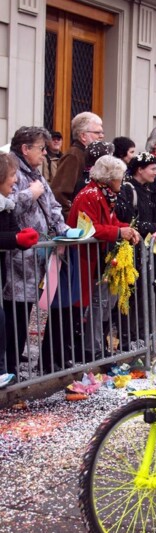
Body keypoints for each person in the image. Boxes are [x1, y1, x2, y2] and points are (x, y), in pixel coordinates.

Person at [3, 126, 71, 376]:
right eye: (41, 149)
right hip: (18, 257)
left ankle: (17, 363)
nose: (45, 153)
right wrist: (29, 195)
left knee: (31, 309)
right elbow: (7, 207)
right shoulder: (10, 170)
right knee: (17, 314)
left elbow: (52, 205)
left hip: (39, 256)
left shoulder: (35, 173)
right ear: (25, 149)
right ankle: (10, 366)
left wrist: (64, 230)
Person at [67, 155, 140, 363]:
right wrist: (119, 232)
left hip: (98, 257)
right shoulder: (90, 195)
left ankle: (97, 345)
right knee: (96, 304)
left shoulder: (104, 194)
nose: (122, 181)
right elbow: (89, 228)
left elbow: (110, 221)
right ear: (110, 178)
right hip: (85, 257)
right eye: (120, 177)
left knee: (104, 303)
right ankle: (92, 348)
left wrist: (126, 229)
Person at [114, 152, 156, 351]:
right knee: (129, 295)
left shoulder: (148, 190)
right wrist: (149, 226)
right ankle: (127, 338)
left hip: (143, 251)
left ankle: (140, 334)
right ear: (140, 170)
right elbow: (126, 219)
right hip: (129, 251)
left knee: (143, 293)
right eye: (152, 169)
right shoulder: (128, 189)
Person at [0, 152, 40, 388]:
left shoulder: (6, 204)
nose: (15, 180)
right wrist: (15, 239)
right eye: (12, 175)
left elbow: (12, 230)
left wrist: (22, 237)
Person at [51, 111, 104, 219]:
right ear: (83, 135)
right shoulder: (74, 156)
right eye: (97, 133)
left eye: (102, 133)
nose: (101, 136)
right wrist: (72, 218)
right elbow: (60, 192)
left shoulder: (86, 155)